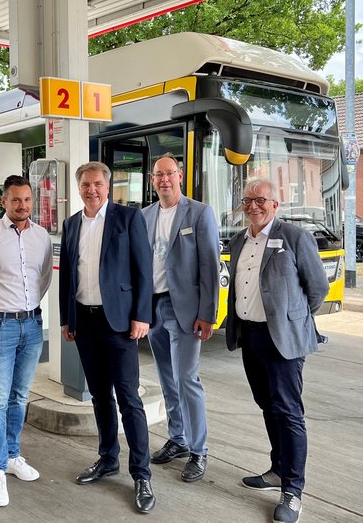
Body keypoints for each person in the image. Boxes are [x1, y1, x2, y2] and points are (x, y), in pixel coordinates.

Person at [225, 178, 329, 523]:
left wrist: (291, 320)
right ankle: (277, 470)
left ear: (275, 204)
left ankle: (293, 491)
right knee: (267, 405)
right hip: (251, 336)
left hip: (281, 340)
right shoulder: (239, 239)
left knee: (288, 412)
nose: (254, 206)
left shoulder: (296, 237)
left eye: (261, 200)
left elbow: (317, 289)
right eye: (248, 201)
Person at [59, 161, 156, 514]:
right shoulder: (71, 224)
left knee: (129, 399)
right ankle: (107, 458)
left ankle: (141, 474)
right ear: (79, 187)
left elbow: (144, 270)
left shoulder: (128, 219)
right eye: (85, 184)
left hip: (119, 323)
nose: (92, 189)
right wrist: (66, 320)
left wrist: (142, 315)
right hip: (84, 322)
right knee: (99, 396)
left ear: (108, 185)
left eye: (98, 183)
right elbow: (67, 275)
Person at [0, 174, 53, 507]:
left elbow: (43, 278)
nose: (22, 205)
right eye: (16, 199)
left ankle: (13, 454)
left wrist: (25, 311)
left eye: (27, 199)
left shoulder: (42, 236)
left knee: (19, 397)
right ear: (4, 201)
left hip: (31, 326)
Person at [141, 153, 219, 482]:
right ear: (152, 179)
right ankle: (178, 438)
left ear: (180, 176)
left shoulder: (199, 213)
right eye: (159, 175)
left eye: (170, 174)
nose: (164, 180)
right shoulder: (144, 216)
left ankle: (199, 451)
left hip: (185, 310)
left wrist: (208, 314)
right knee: (166, 377)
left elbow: (210, 266)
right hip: (153, 307)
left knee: (187, 379)